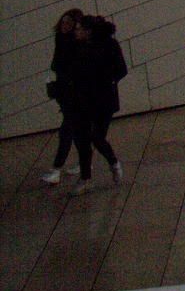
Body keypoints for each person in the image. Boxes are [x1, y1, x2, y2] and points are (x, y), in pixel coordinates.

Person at [73, 15, 126, 188]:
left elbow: (121, 69)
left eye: (79, 29)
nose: (76, 32)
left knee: (97, 137)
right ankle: (85, 176)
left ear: (88, 31)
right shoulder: (79, 47)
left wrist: (107, 80)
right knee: (84, 137)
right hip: (85, 100)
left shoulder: (108, 45)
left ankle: (114, 163)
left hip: (103, 100)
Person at [39, 10, 88, 185]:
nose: (65, 25)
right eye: (64, 22)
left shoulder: (72, 43)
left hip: (72, 93)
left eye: (69, 23)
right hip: (66, 92)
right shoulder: (63, 40)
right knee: (73, 130)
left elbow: (62, 66)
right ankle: (83, 163)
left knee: (67, 130)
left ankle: (57, 169)